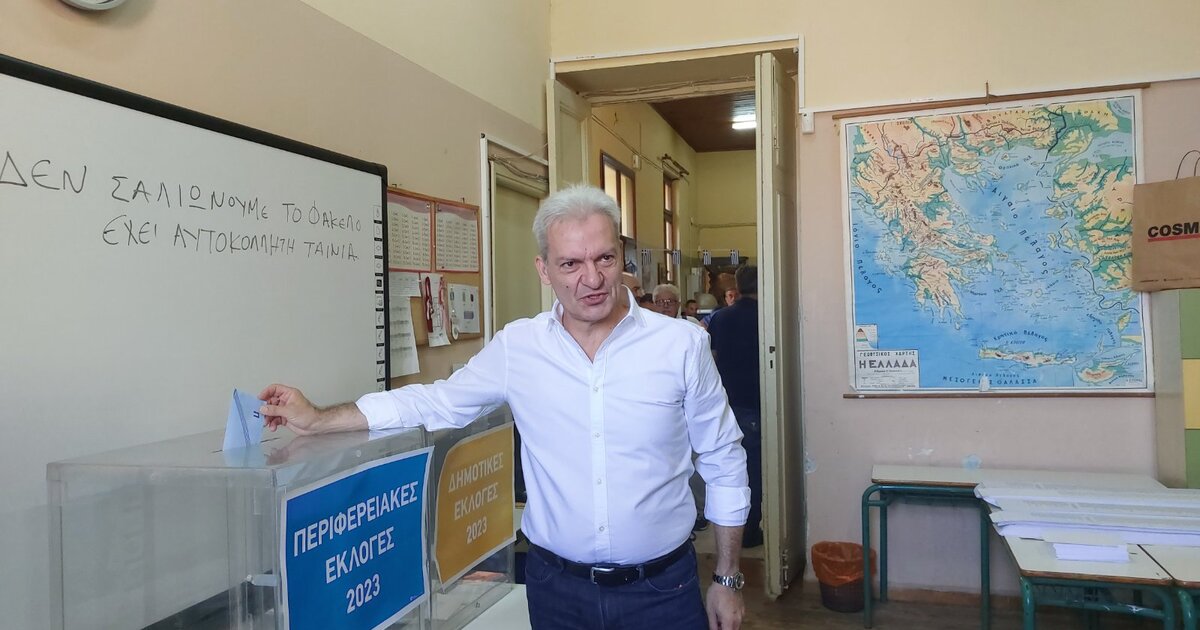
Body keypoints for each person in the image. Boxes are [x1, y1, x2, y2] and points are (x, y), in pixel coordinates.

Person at [260, 184, 750, 630]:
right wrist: (319, 419)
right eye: (570, 264)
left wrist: (727, 578)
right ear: (543, 270)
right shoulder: (519, 348)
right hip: (558, 594)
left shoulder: (680, 345)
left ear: (620, 256)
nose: (592, 278)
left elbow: (723, 458)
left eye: (604, 258)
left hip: (662, 593)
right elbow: (435, 402)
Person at [704, 266, 762, 548]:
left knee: (730, 469)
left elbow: (711, 360)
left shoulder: (721, 317)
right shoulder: (767, 316)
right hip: (758, 399)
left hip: (728, 401)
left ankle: (730, 529)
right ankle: (750, 531)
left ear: (737, 287)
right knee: (755, 469)